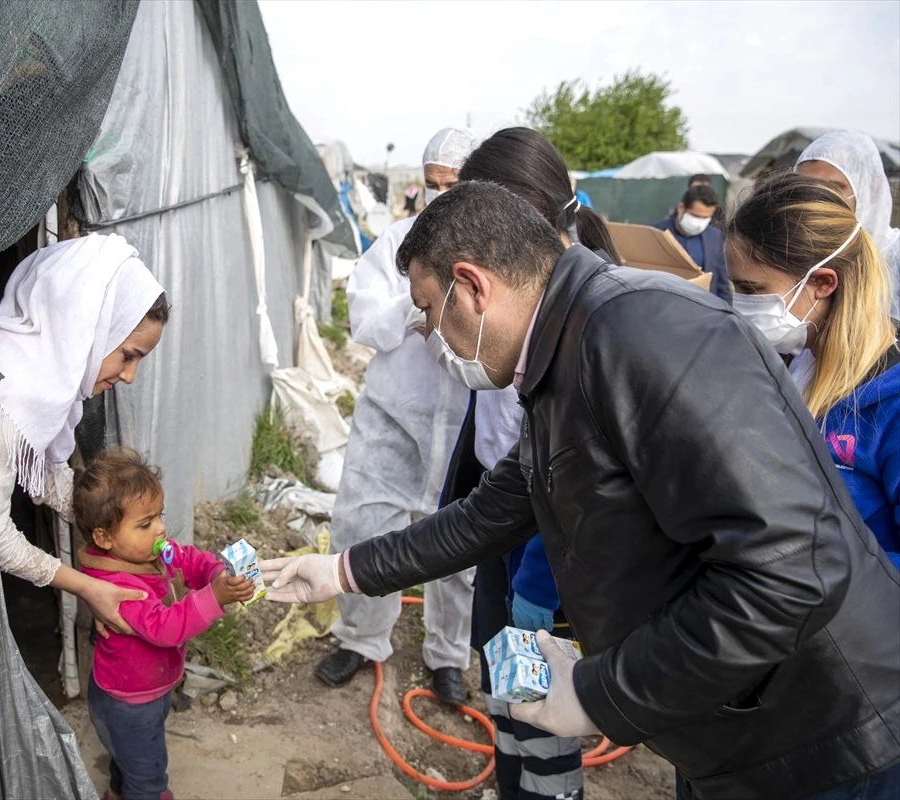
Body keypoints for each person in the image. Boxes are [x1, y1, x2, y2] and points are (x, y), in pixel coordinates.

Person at [263, 181, 900, 800]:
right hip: (736, 723)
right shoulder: (565, 350)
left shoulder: (638, 335)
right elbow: (490, 512)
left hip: (824, 738)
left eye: (429, 311)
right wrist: (345, 569)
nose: (430, 333)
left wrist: (602, 693)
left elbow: (793, 573)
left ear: (474, 286)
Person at [447, 125, 625, 800]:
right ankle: (516, 783)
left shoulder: (588, 322)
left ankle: (541, 790)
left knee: (539, 697)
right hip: (509, 516)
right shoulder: (524, 298)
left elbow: (579, 478)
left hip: (549, 552)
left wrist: (540, 585)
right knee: (505, 682)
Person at [315, 127, 475, 704]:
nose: (440, 194)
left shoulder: (490, 248)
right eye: (432, 184)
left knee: (460, 543)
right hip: (393, 415)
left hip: (461, 422)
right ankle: (361, 638)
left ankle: (448, 656)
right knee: (364, 526)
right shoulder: (397, 244)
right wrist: (416, 302)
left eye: (453, 185)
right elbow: (362, 321)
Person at [0, 232, 169, 635]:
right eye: (128, 355)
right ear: (90, 326)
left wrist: (125, 522)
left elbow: (44, 473)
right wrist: (88, 587)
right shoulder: (1, 386)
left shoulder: (45, 378)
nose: (130, 376)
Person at [726, 173, 899, 571]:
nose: (742, 306)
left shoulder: (889, 403)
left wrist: (811, 569)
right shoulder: (788, 367)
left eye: (752, 291)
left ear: (821, 282)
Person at [75, 448, 255, 800]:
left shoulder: (152, 551)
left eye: (159, 515)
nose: (160, 528)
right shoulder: (117, 589)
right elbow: (166, 627)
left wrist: (215, 573)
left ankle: (115, 791)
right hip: (129, 703)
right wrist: (213, 597)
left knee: (126, 761)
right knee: (148, 779)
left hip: (145, 689)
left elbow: (186, 558)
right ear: (104, 538)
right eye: (145, 523)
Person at [794, 129, 900, 318]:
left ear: (870, 189)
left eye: (833, 188)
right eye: (805, 187)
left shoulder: (894, 256)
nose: (817, 198)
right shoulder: (793, 254)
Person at [652, 183, 731, 301]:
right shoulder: (655, 232)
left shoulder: (715, 236)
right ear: (681, 208)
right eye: (695, 216)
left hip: (704, 306)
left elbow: (722, 282)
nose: (699, 223)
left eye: (705, 218)